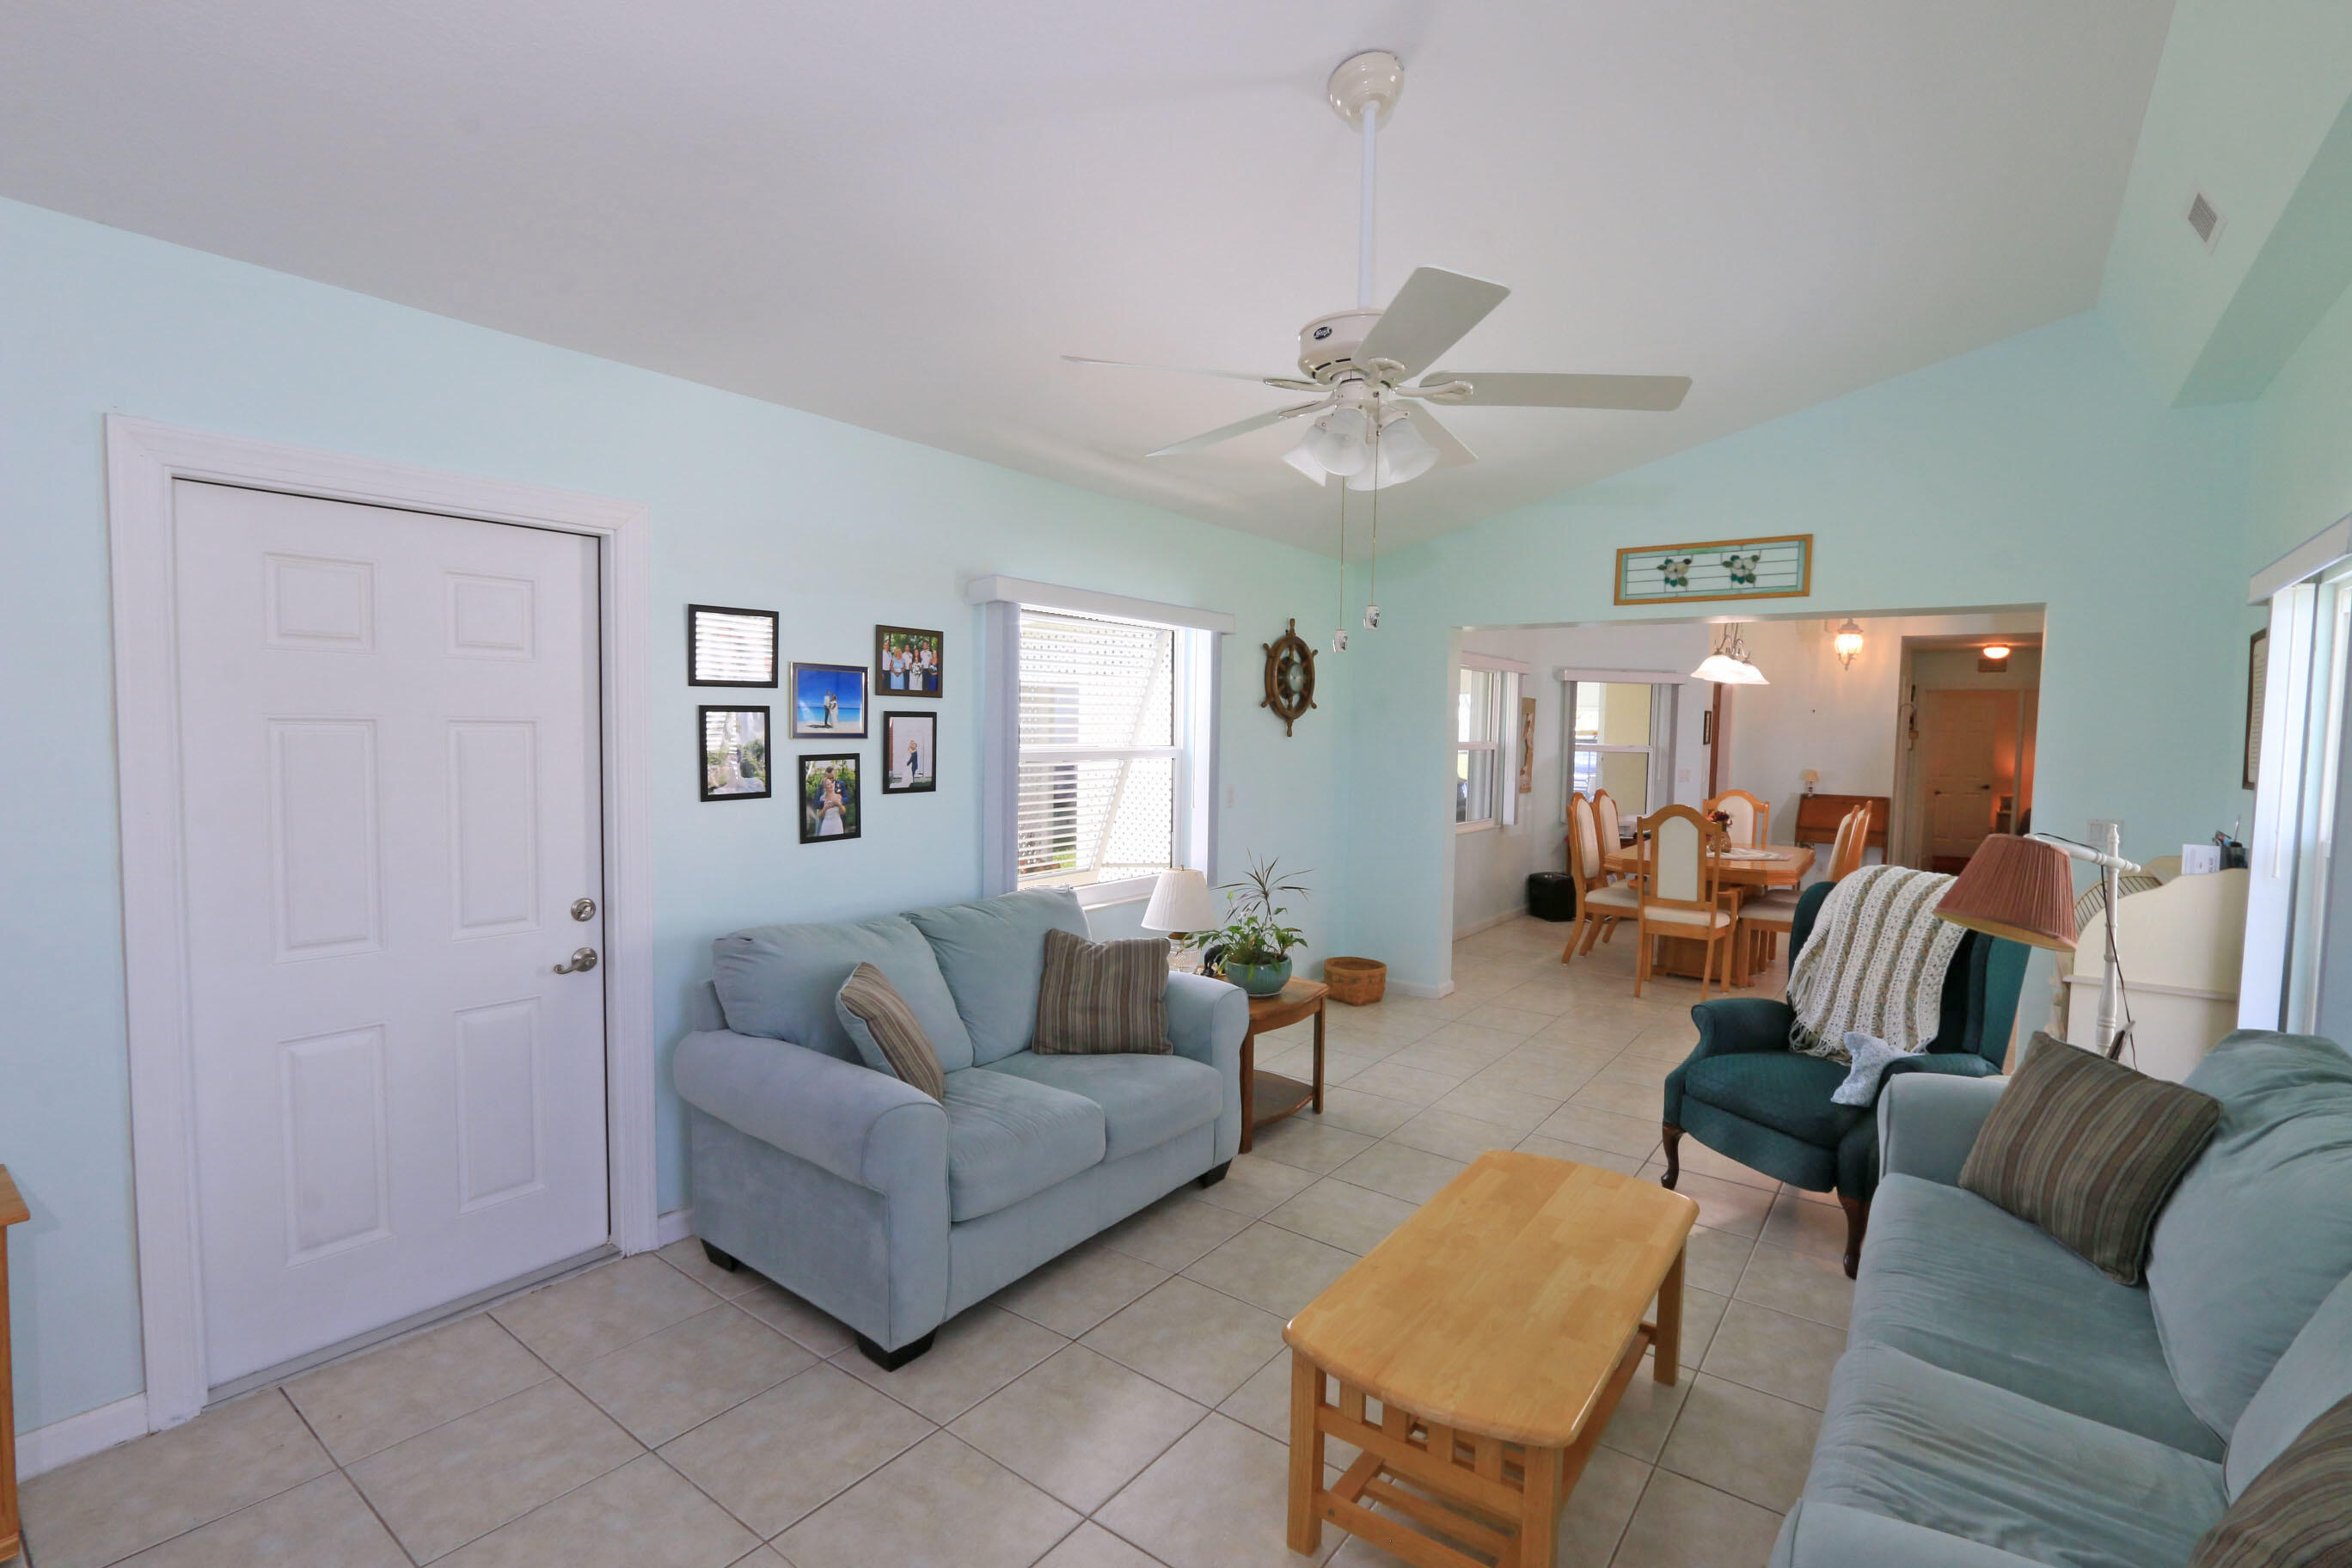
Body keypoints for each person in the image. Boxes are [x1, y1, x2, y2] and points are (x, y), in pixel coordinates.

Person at [816, 766, 846, 836]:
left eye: (831, 783)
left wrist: (839, 804)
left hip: (837, 824)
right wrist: (825, 808)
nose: (831, 785)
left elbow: (843, 812)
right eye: (828, 784)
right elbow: (820, 816)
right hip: (826, 825)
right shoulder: (822, 799)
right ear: (825, 788)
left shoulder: (838, 796)